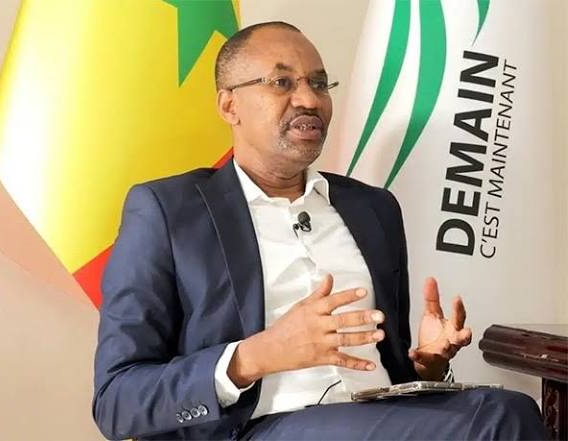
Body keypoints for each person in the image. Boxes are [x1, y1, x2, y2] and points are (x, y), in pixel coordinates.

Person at [92, 21, 549, 441]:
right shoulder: (168, 212)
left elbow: (388, 379)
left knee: (512, 409)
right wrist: (256, 356)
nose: (309, 100)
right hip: (254, 429)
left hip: (374, 417)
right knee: (501, 417)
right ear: (229, 104)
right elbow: (117, 401)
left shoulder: (373, 209)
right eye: (282, 83)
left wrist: (427, 366)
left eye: (318, 83)